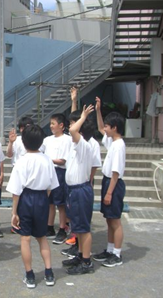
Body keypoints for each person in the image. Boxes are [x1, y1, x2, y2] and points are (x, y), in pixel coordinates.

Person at [7, 124, 57, 288]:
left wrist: (14, 212)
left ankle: (30, 275)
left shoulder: (21, 161)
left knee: (25, 238)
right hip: (42, 198)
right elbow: (50, 186)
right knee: (42, 238)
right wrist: (43, 200)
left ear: (24, 142)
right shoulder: (47, 160)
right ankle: (49, 273)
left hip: (26, 198)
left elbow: (16, 191)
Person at [62, 95, 102, 275]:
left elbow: (73, 130)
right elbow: (73, 130)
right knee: (77, 226)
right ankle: (80, 255)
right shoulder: (76, 145)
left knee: (83, 228)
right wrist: (75, 105)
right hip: (73, 189)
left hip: (80, 190)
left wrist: (84, 117)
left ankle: (86, 262)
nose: (70, 127)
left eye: (74, 124)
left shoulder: (84, 145)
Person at [93, 96, 127, 266]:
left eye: (107, 126)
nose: (104, 129)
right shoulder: (112, 142)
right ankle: (110, 249)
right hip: (108, 182)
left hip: (113, 184)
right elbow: (100, 127)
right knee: (109, 219)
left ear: (114, 128)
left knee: (115, 220)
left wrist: (109, 193)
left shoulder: (119, 146)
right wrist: (98, 110)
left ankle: (117, 254)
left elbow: (115, 173)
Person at [45, 113, 72, 244]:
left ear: (61, 125)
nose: (51, 126)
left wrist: (48, 160)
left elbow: (63, 160)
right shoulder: (47, 140)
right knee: (50, 202)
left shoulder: (67, 140)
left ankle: (62, 229)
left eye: (53, 123)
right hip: (49, 172)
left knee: (60, 203)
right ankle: (49, 227)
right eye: (50, 123)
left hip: (60, 173)